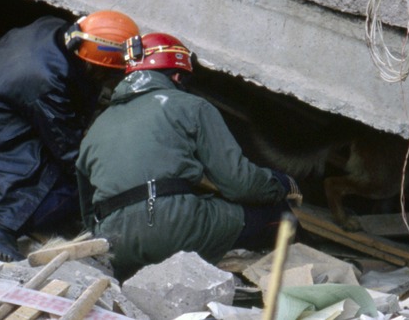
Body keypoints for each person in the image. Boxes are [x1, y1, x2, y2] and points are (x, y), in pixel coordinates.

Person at [76, 32, 299, 279]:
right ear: (177, 75)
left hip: (113, 242)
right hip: (171, 229)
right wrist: (279, 183)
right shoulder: (191, 105)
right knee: (281, 217)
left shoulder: (98, 126)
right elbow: (239, 184)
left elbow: (87, 209)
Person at [0, 10, 139, 262]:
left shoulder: (57, 31)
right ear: (91, 63)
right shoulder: (46, 82)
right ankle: (2, 230)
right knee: (76, 187)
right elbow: (69, 153)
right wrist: (113, 185)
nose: (110, 80)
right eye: (107, 73)